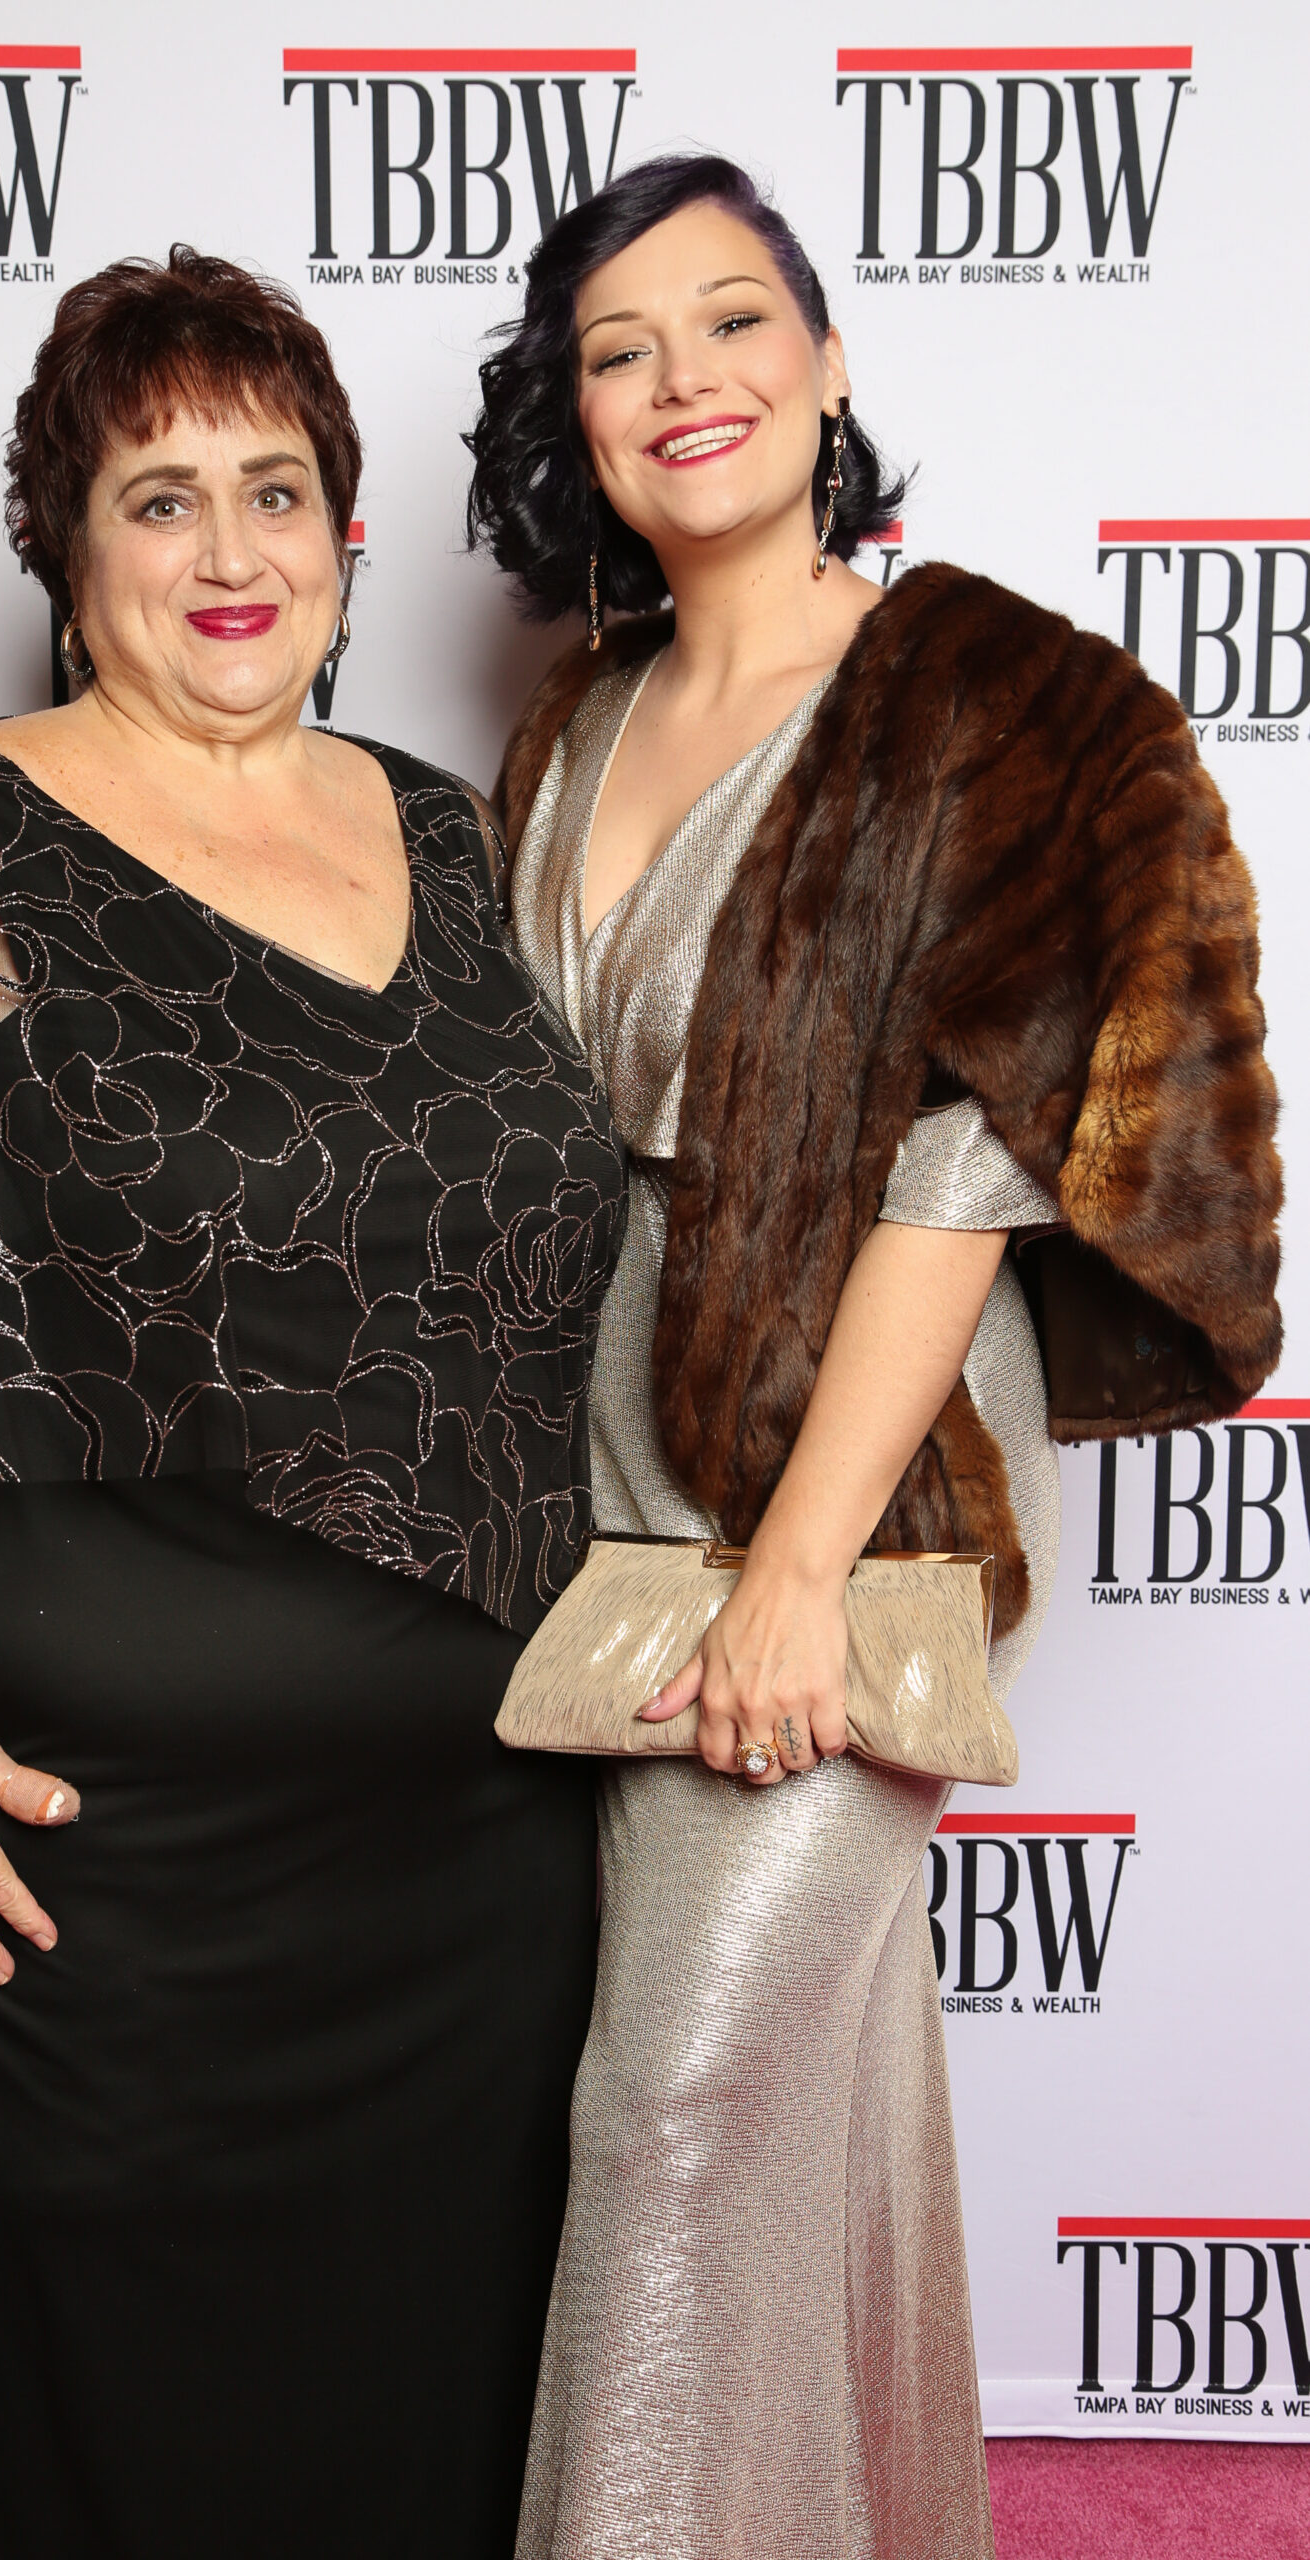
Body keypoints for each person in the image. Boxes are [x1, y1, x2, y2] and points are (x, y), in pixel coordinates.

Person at [0, 248, 628, 2560]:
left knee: (421, 2407)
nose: (228, 550)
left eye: (276, 491)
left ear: (346, 539)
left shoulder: (462, 837)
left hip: (467, 1859)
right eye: (159, 498)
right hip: (75, 1866)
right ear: (67, 555)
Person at [465, 155, 1282, 2560]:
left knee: (675, 2108)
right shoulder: (576, 710)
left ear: (828, 363)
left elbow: (967, 1161)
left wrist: (801, 1569)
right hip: (587, 1455)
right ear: (576, 422)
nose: (682, 380)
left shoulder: (995, 695)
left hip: (860, 1465)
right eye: (619, 350)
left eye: (734, 321)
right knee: (799, 2090)